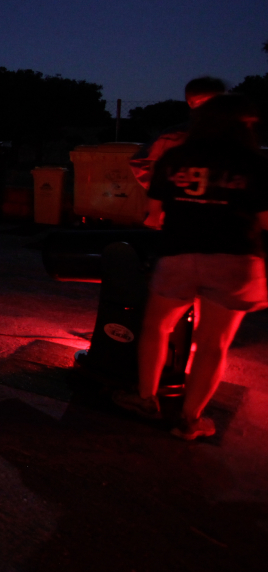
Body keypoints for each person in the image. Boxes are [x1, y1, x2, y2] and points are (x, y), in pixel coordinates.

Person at [113, 95, 268, 440]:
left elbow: (154, 216)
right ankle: (189, 420)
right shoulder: (255, 164)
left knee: (157, 327)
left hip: (179, 255)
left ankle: (145, 398)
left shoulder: (175, 158)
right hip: (234, 258)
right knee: (213, 345)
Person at [129, 76, 226, 195]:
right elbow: (140, 163)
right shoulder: (173, 137)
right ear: (191, 103)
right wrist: (165, 193)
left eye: (217, 101)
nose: (211, 107)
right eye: (203, 101)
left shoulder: (238, 134)